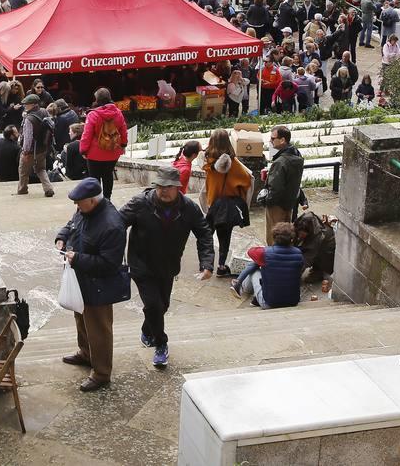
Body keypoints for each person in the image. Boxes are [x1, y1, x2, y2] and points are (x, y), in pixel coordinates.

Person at [119, 164, 213, 369]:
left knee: (162, 306)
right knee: (153, 305)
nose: (163, 190)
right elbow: (117, 223)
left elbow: (204, 233)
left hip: (168, 265)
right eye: (160, 185)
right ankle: (161, 344)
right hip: (141, 263)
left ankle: (148, 328)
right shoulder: (140, 203)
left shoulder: (188, 208)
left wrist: (207, 263)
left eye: (169, 186)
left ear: (178, 187)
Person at [54, 177, 128, 392]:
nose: (76, 207)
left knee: (99, 328)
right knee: (80, 317)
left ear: (93, 201)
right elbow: (72, 224)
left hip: (99, 286)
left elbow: (109, 264)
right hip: (81, 279)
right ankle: (86, 353)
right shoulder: (84, 210)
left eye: (79, 203)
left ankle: (102, 372)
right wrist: (62, 236)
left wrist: (77, 259)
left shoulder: (111, 225)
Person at [202, 129, 252, 276]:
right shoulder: (234, 163)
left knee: (207, 234)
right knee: (225, 237)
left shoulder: (207, 161)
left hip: (213, 204)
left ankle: (205, 264)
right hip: (227, 207)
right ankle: (221, 266)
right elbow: (246, 180)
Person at [231, 222, 304, 309]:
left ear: (274, 237)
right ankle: (242, 287)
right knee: (266, 265)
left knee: (255, 269)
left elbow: (250, 251)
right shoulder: (298, 254)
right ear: (292, 239)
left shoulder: (265, 253)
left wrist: (266, 249)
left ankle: (240, 285)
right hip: (292, 301)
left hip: (269, 303)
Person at [79, 88, 128, 199]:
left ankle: (96, 200)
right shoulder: (118, 113)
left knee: (94, 178)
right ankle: (107, 199)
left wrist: (83, 150)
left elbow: (87, 134)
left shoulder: (93, 114)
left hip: (94, 153)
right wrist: (123, 144)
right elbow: (123, 130)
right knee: (108, 175)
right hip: (112, 151)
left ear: (97, 99)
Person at [262, 126, 304, 243]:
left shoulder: (280, 162)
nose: (270, 141)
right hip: (289, 203)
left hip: (276, 205)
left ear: (282, 140)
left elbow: (276, 187)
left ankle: (273, 258)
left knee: (273, 237)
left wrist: (267, 201)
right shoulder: (297, 156)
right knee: (285, 236)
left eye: (273, 138)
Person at [17, 93, 55, 196]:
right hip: (43, 148)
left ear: (33, 104)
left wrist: (25, 152)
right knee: (41, 169)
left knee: (23, 170)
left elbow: (28, 138)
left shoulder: (29, 119)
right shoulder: (44, 111)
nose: (25, 105)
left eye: (27, 104)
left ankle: (22, 189)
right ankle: (48, 188)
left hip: (30, 151)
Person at [294, 212, 336, 294]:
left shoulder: (318, 236)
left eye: (302, 234)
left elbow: (308, 258)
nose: (300, 236)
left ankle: (319, 271)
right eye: (299, 233)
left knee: (317, 256)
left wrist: (294, 274)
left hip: (326, 252)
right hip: (316, 246)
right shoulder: (300, 224)